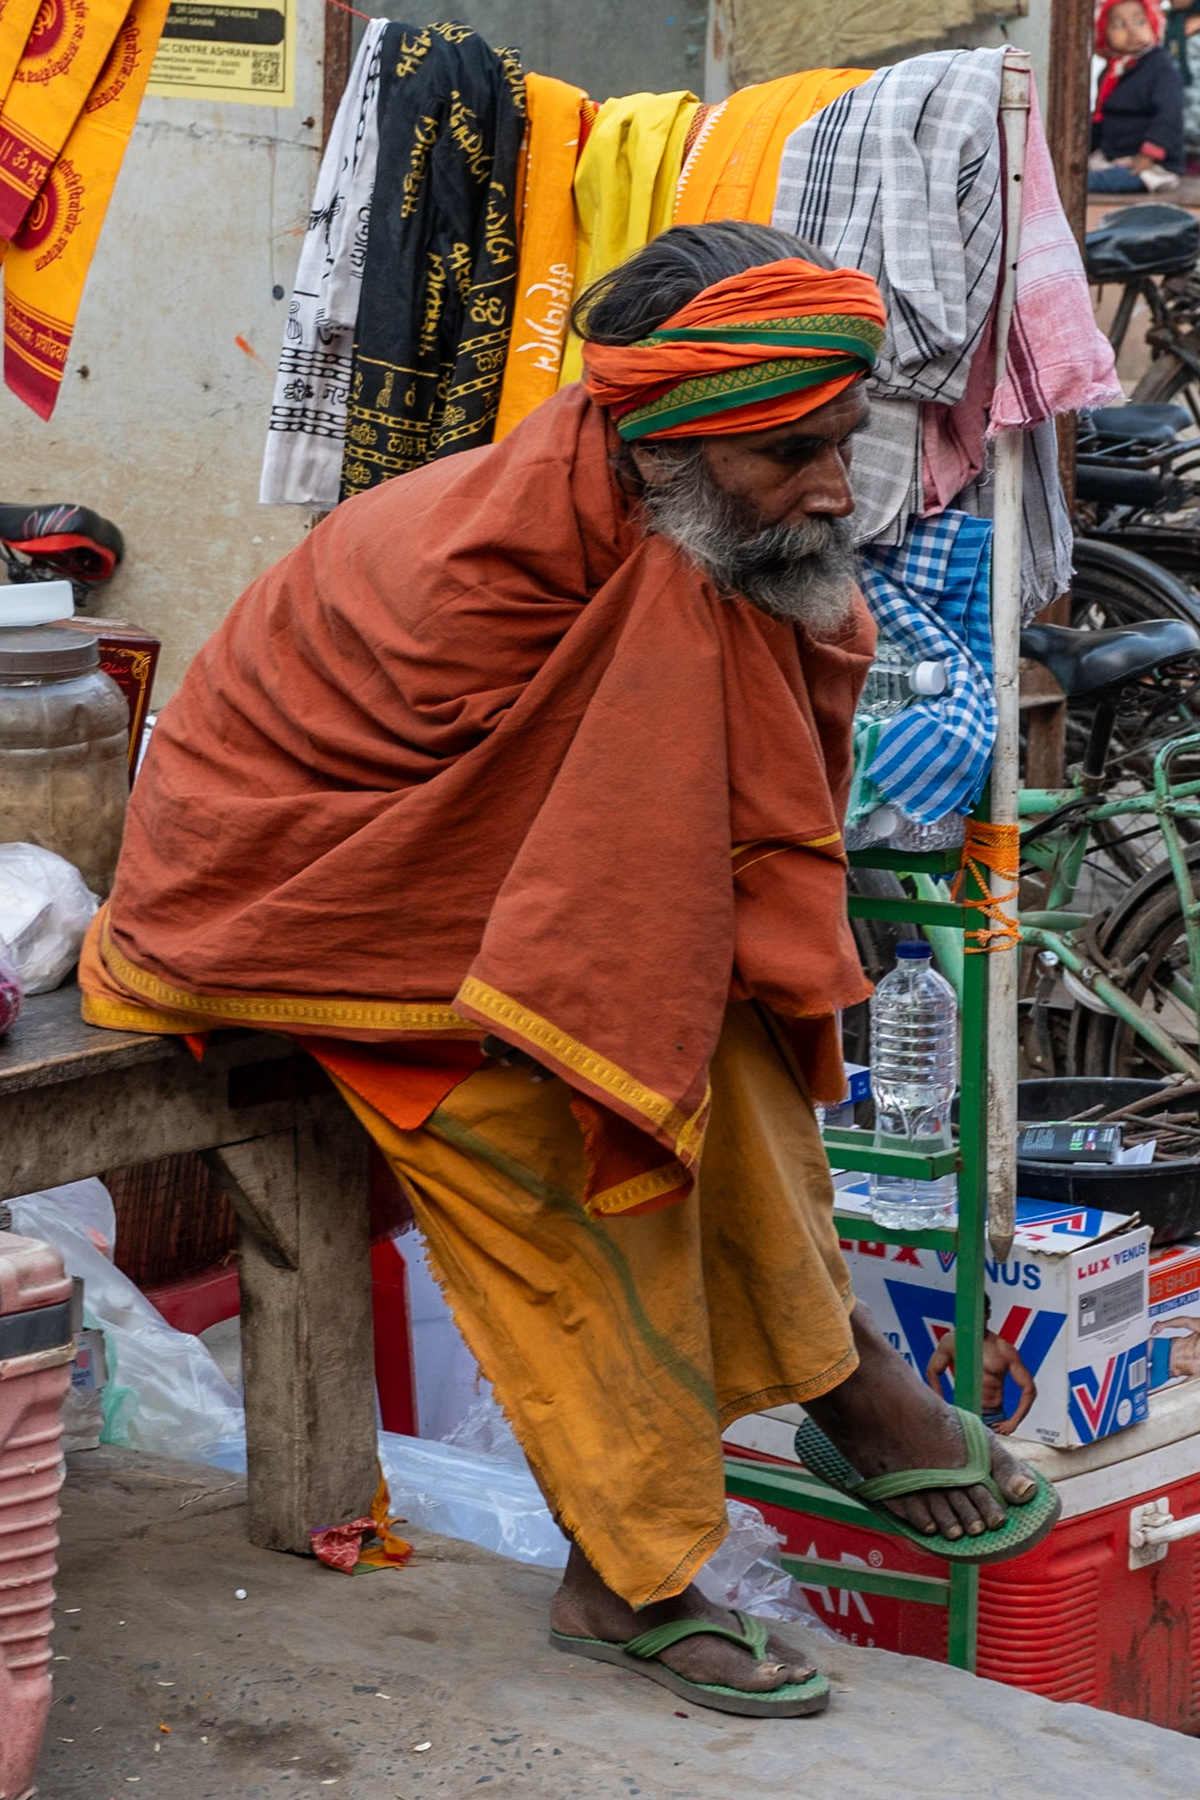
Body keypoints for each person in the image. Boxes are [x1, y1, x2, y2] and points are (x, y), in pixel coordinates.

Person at [80, 221, 1057, 1720]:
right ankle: (637, 1568)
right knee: (558, 1120)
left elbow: (672, 843)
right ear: (657, 444)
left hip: (479, 880)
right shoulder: (469, 566)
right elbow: (526, 861)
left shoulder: (679, 531)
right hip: (287, 893)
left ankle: (844, 1381)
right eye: (783, 455)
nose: (822, 492)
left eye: (839, 447)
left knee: (725, 1043)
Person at [1090, 0, 1185, 192]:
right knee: (1068, 173)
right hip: (1114, 157)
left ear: (1153, 23)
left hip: (1149, 165)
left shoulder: (1161, 67)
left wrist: (1149, 155)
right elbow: (1101, 117)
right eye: (1119, 25)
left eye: (1139, 22)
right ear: (1104, 33)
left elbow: (1169, 115)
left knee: (1088, 183)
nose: (1132, 31)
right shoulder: (1111, 72)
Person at [925, 1296, 1038, 1436]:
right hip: (962, 1415)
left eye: (980, 1314)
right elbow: (932, 1371)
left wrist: (1014, 1421)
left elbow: (1029, 1388)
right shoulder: (951, 1341)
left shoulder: (1003, 1349)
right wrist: (940, 1407)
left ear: (988, 1314)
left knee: (992, 1458)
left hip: (992, 1419)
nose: (975, 1320)